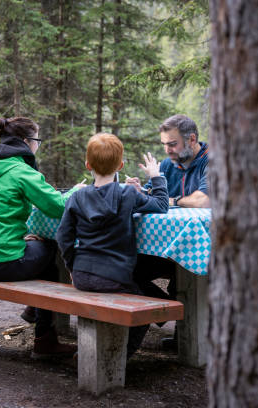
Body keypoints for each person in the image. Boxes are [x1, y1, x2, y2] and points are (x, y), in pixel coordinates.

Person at [0, 116, 83, 358]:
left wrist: (20, 237)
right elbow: (57, 207)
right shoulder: (21, 172)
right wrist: (76, 192)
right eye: (37, 141)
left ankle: (34, 314)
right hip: (1, 263)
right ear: (26, 142)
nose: (38, 146)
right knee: (50, 250)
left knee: (38, 248)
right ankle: (44, 341)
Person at [55, 132, 169, 358]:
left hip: (81, 275)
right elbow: (161, 205)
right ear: (121, 165)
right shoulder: (127, 193)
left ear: (88, 164)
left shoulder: (76, 197)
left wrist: (71, 266)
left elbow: (63, 236)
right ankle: (115, 356)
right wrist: (156, 177)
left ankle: (97, 350)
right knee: (145, 309)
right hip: (114, 277)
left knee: (145, 293)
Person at [126, 114, 209, 350]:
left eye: (172, 144)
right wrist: (138, 190)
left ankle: (193, 337)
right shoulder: (165, 165)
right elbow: (152, 196)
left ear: (192, 139)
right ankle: (165, 308)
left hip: (206, 247)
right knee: (127, 267)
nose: (167, 149)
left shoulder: (212, 160)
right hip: (167, 247)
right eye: (164, 144)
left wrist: (173, 200)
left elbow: (204, 200)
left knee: (185, 277)